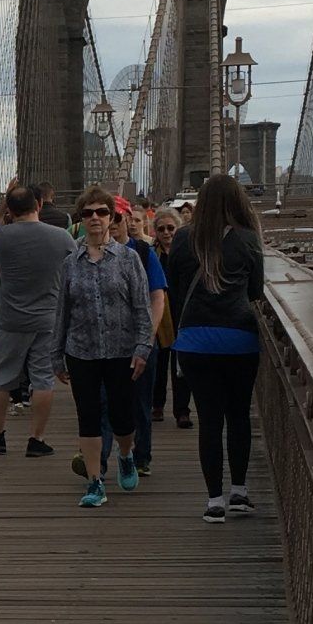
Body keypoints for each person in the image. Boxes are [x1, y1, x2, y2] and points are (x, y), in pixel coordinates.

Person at [164, 171, 266, 524]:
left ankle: (214, 501)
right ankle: (240, 492)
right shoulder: (249, 239)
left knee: (209, 420)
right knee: (238, 416)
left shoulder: (181, 239)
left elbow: (175, 292)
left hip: (195, 342)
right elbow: (255, 291)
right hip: (239, 339)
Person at [54, 186, 152, 510]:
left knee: (123, 418)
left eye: (101, 212)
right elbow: (62, 311)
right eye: (87, 213)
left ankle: (126, 455)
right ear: (80, 220)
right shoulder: (71, 263)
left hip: (121, 349)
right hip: (81, 350)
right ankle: (94, 482)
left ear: (112, 218)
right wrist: (56, 354)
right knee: (89, 417)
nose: (94, 218)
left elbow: (141, 306)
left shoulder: (129, 259)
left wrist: (143, 347)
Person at [0, 182, 73, 458]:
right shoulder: (61, 237)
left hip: (10, 319)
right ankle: (37, 439)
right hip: (47, 319)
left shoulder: (0, 236)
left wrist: (1, 205)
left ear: (11, 209)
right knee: (43, 379)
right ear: (39, 205)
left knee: (1, 377)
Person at [97, 197, 168, 479]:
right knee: (102, 404)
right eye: (104, 216)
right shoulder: (88, 253)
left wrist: (147, 337)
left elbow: (157, 296)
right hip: (102, 345)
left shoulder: (142, 251)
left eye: (115, 217)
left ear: (127, 219)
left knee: (140, 404)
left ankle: (140, 457)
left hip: (139, 341)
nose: (110, 223)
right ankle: (99, 464)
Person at [150, 206, 190, 428]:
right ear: (155, 231)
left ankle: (182, 410)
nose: (166, 233)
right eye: (161, 229)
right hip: (158, 315)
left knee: (180, 363)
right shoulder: (149, 254)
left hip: (181, 312)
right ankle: (157, 405)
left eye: (171, 228)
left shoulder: (187, 253)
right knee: (158, 361)